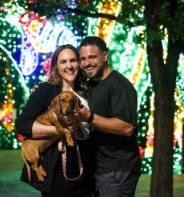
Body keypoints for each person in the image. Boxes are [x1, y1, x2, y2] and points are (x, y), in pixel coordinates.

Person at [15, 44, 94, 197]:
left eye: (73, 60)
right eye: (63, 62)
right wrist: (59, 131)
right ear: (56, 66)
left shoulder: (87, 91)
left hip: (85, 172)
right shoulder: (46, 90)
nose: (69, 66)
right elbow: (22, 125)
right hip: (57, 172)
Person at [78, 36, 141, 197]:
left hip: (118, 169)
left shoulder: (119, 86)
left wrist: (90, 117)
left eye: (92, 57)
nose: (87, 63)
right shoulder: (92, 82)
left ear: (105, 56)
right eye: (83, 59)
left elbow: (127, 127)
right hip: (100, 166)